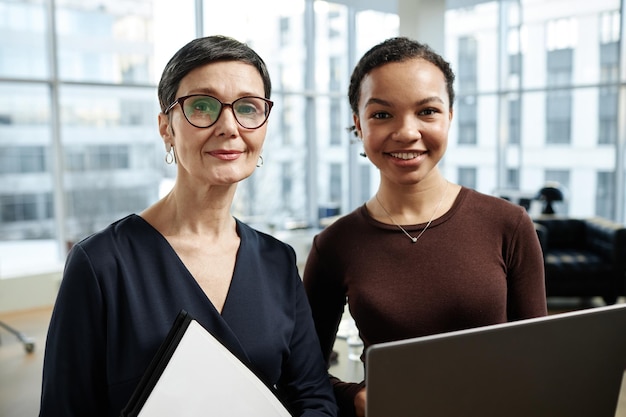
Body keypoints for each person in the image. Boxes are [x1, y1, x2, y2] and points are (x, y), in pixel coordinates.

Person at [39, 35, 337, 417]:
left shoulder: (277, 260)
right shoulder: (101, 265)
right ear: (166, 127)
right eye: (202, 106)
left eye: (247, 108)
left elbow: (314, 397)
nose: (229, 126)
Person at [302, 36, 547, 417]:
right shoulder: (335, 244)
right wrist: (355, 397)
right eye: (382, 114)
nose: (406, 132)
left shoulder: (508, 224)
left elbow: (539, 357)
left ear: (450, 116)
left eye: (427, 111)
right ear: (358, 125)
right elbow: (303, 375)